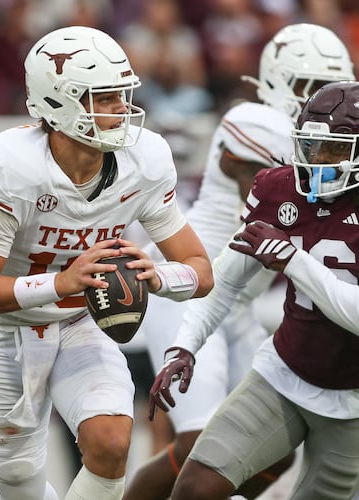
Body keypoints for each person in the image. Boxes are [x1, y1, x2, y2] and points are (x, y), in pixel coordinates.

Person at [0, 25, 213, 500]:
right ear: (57, 102)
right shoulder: (14, 165)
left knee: (111, 443)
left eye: (121, 95)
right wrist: (61, 281)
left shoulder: (145, 159)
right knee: (16, 480)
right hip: (6, 329)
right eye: (104, 98)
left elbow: (200, 270)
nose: (122, 110)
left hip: (79, 320)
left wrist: (159, 276)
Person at [124, 22, 356, 500]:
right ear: (276, 79)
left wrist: (293, 257)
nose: (322, 97)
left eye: (331, 83)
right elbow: (282, 190)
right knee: (195, 446)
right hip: (195, 287)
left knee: (276, 458)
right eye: (310, 86)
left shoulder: (324, 142)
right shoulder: (257, 124)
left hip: (246, 308)